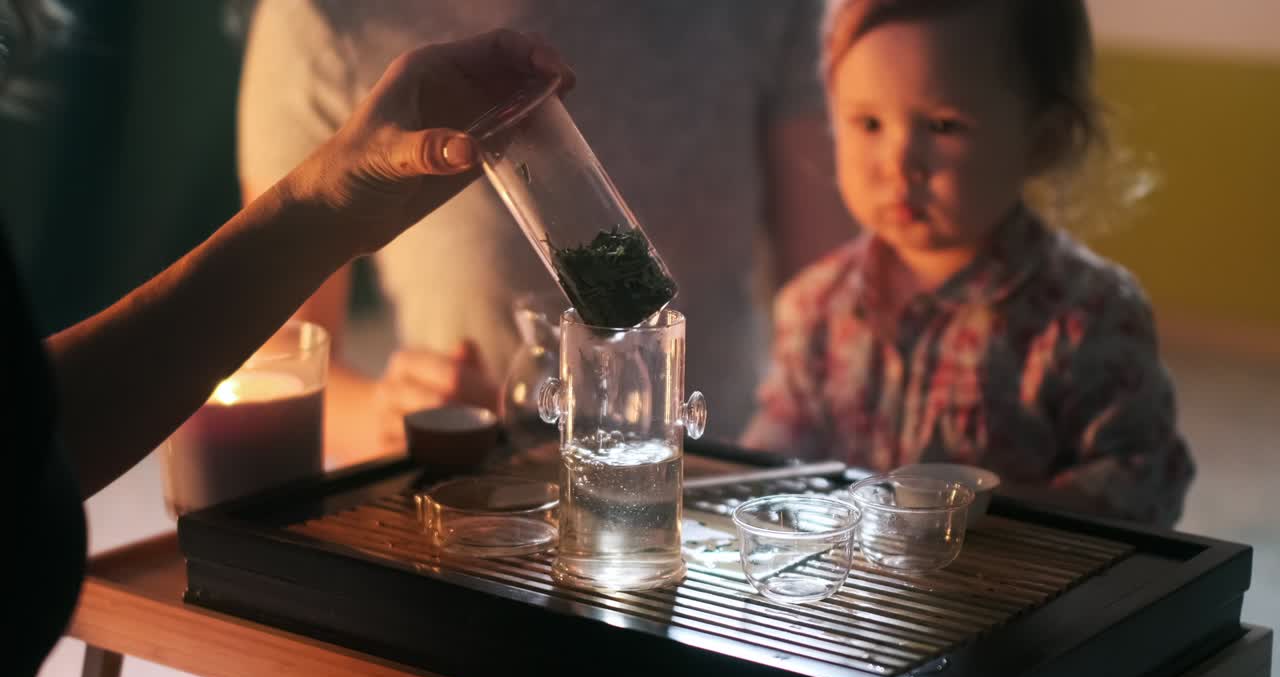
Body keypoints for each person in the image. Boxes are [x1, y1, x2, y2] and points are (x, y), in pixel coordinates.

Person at [3, 24, 575, 677]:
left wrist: (328, 206)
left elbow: (36, 425)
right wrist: (399, 407)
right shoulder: (322, 25)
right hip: (472, 567)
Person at [237, 0, 857, 462]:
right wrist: (386, 415)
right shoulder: (327, 20)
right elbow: (268, 354)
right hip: (484, 508)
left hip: (721, 489)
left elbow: (836, 309)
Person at [742, 0, 1194, 526]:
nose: (899, 162)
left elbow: (1143, 486)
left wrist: (992, 514)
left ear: (1043, 141)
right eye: (868, 122)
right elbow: (782, 448)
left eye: (942, 125)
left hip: (1020, 598)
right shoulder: (815, 304)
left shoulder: (1091, 317)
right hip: (856, 598)